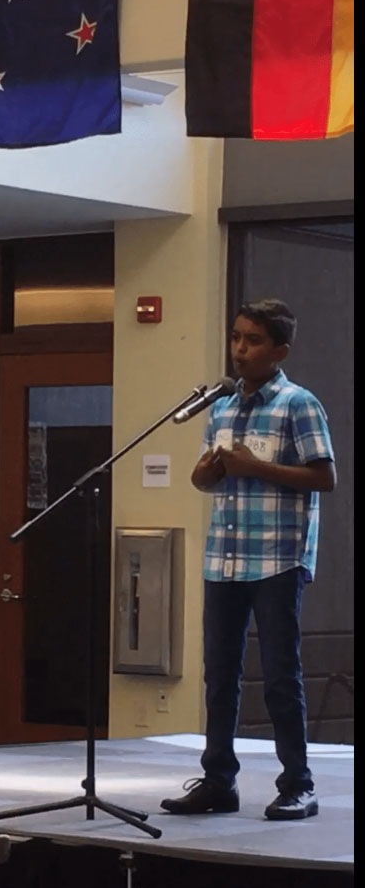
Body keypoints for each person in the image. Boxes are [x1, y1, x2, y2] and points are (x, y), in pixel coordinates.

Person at [161, 299, 336, 820]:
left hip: (277, 559)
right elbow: (205, 477)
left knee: (280, 676)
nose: (240, 349)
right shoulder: (221, 406)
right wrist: (207, 473)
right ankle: (219, 781)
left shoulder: (299, 404)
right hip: (225, 558)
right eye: (236, 337)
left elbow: (324, 476)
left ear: (279, 351)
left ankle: (298, 784)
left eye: (253, 340)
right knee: (219, 676)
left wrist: (255, 467)